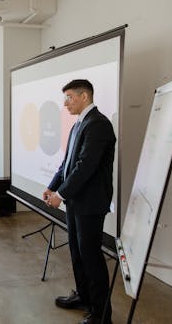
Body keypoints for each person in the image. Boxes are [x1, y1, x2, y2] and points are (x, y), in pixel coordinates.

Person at [43, 79, 115, 324]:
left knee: (91, 256)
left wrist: (60, 195)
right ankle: (84, 296)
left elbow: (85, 167)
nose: (65, 103)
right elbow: (67, 164)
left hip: (91, 203)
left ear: (85, 96)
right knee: (77, 252)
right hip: (76, 201)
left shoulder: (99, 124)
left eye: (69, 97)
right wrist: (52, 186)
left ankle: (101, 314)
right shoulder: (78, 125)